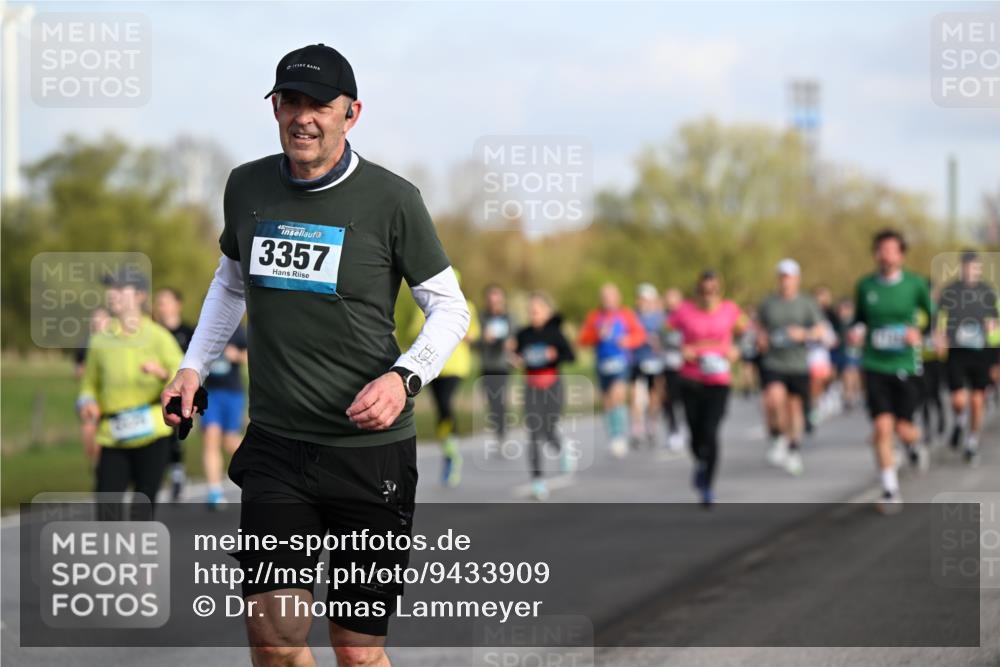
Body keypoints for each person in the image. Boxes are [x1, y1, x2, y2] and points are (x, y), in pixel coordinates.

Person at [160, 44, 469, 666]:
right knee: (273, 641)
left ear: (350, 114)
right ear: (275, 107)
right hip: (279, 447)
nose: (303, 117)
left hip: (369, 456)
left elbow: (451, 308)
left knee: (356, 653)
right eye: (289, 102)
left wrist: (403, 377)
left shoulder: (392, 200)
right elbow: (229, 282)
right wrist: (192, 364)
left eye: (318, 105)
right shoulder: (246, 185)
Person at [78, 273, 183, 516]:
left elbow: (183, 377)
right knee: (106, 511)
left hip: (153, 433)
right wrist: (87, 401)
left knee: (142, 512)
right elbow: (88, 384)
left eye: (120, 288)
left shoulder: (159, 336)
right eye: (109, 289)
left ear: (140, 296)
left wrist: (163, 373)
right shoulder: (100, 340)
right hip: (112, 435)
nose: (111, 294)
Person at [849, 229, 933, 511]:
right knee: (882, 427)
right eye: (880, 250)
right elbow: (859, 320)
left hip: (905, 365)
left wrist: (917, 332)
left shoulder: (915, 284)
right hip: (874, 364)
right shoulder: (866, 286)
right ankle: (890, 490)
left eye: (890, 250)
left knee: (904, 428)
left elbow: (930, 318)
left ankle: (914, 445)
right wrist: (857, 332)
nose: (884, 255)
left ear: (900, 254)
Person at [667, 270, 747, 507]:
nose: (709, 294)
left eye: (713, 290)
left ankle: (708, 486)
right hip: (690, 378)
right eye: (704, 290)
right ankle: (700, 463)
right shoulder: (684, 311)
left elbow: (748, 333)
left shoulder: (731, 310)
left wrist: (738, 350)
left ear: (719, 290)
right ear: (698, 290)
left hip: (718, 380)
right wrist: (681, 349)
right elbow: (664, 333)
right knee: (695, 435)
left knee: (710, 431)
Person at [757, 259, 826, 476]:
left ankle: (793, 448)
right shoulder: (768, 303)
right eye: (782, 277)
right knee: (774, 399)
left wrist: (803, 334)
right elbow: (758, 327)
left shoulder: (806, 303)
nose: (785, 281)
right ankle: (778, 436)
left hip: (797, 362)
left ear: (797, 279)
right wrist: (761, 338)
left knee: (795, 408)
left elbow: (820, 329)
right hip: (773, 361)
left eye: (789, 277)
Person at [411, 271, 479, 487]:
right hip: (431, 366)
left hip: (456, 366)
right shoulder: (420, 305)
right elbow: (414, 331)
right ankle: (449, 449)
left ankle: (452, 450)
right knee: (440, 409)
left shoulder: (464, 305)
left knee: (446, 404)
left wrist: (453, 328)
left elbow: (473, 333)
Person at [937, 250, 999, 464]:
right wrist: (940, 337)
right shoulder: (950, 291)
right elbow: (939, 318)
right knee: (958, 400)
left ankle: (972, 442)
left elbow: (995, 320)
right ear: (962, 267)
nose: (972, 271)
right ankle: (960, 420)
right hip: (957, 352)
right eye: (969, 266)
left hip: (980, 352)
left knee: (977, 399)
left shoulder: (987, 291)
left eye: (976, 267)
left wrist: (992, 326)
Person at [513, 292, 576, 500]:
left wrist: (555, 355)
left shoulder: (555, 333)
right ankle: (538, 480)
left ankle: (563, 447)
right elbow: (515, 356)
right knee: (533, 433)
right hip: (531, 386)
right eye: (531, 311)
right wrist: (514, 359)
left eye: (537, 310)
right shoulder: (524, 334)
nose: (534, 314)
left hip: (552, 385)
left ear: (547, 312)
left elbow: (571, 356)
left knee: (548, 430)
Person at [578, 283, 646, 458]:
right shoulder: (594, 317)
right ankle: (612, 434)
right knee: (607, 401)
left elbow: (640, 335)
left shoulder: (626, 314)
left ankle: (619, 436)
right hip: (602, 363)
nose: (608, 299)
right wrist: (596, 335)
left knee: (618, 396)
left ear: (618, 297)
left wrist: (628, 340)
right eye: (604, 296)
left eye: (611, 296)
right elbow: (582, 339)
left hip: (621, 362)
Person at [152, 287, 196, 501]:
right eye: (158, 302)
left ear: (177, 304)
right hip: (152, 393)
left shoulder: (190, 332)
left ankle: (177, 473)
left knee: (175, 435)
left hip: (179, 393)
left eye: (166, 301)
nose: (161, 306)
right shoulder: (152, 333)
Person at [200, 324, 248, 508]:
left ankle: (263, 467)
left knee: (229, 441)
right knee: (211, 436)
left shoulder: (238, 329)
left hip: (232, 393)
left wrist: (235, 355)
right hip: (209, 393)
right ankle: (214, 491)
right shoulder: (205, 328)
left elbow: (251, 356)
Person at [476, 284, 515, 454]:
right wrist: (484, 339)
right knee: (492, 403)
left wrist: (510, 343)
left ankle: (502, 434)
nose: (494, 303)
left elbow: (516, 338)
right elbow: (474, 343)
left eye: (497, 299)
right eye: (491, 299)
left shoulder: (510, 318)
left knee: (500, 401)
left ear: (502, 299)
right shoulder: (481, 318)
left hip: (502, 366)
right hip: (487, 365)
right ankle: (499, 433)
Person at [629, 283, 667, 448]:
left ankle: (651, 423)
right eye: (641, 299)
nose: (644, 302)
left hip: (656, 361)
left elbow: (667, 338)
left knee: (654, 395)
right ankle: (637, 429)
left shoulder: (661, 318)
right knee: (636, 395)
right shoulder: (632, 316)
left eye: (647, 299)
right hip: (637, 360)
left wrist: (659, 343)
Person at [919, 281, 946, 445]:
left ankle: (942, 419)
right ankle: (927, 428)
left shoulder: (940, 313)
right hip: (921, 359)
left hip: (936, 360)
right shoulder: (918, 313)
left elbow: (943, 335)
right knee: (923, 396)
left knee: (935, 395)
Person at [660, 287, 686, 451]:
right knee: (669, 401)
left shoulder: (687, 317)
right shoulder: (663, 319)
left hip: (687, 366)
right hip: (668, 365)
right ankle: (673, 432)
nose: (671, 303)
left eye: (674, 299)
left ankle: (685, 428)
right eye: (668, 299)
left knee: (685, 401)